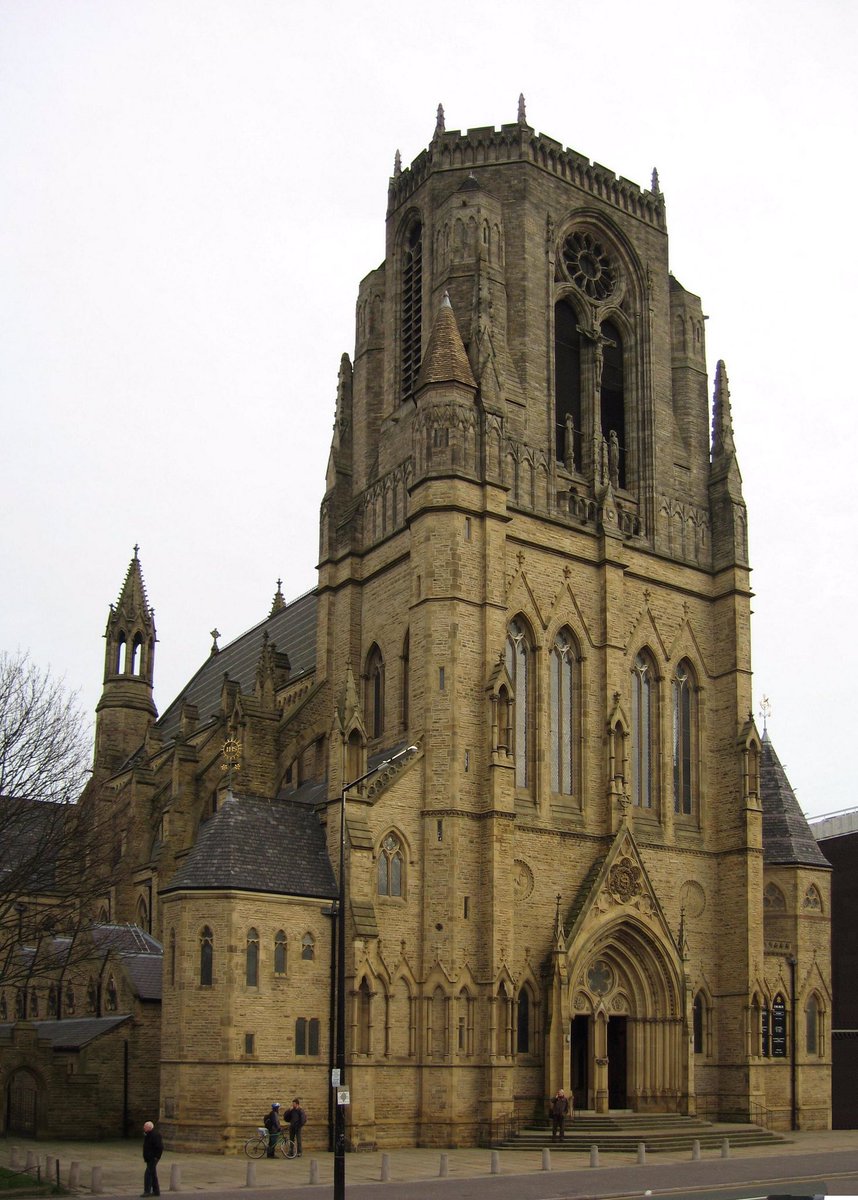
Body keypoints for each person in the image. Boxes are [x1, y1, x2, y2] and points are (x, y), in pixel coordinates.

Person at [141, 1120, 163, 1197]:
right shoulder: (147, 1135)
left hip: (153, 1158)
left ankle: (147, 1191)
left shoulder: (155, 1135)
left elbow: (159, 1147)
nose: (143, 1128)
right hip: (149, 1158)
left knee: (148, 1173)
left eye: (145, 1126)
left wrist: (156, 1157)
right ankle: (156, 1191)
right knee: (153, 1174)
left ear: (149, 1127)